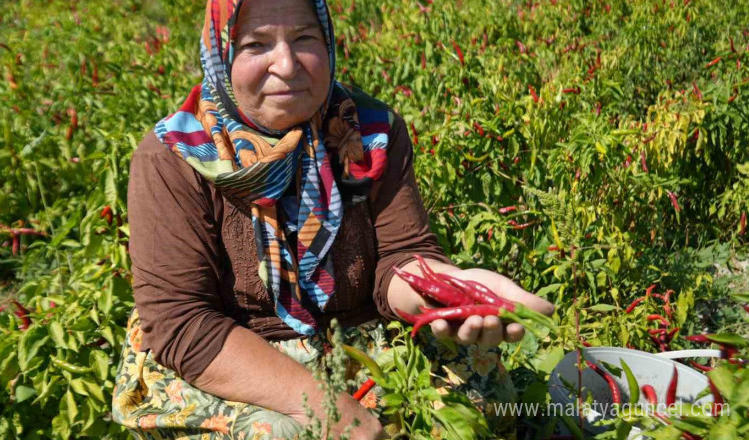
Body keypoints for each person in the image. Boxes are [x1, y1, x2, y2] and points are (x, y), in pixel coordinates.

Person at [111, 0, 555, 439]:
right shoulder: (174, 158)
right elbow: (182, 322)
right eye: (254, 45)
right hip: (238, 360)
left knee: (479, 403)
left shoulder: (370, 131)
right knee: (282, 431)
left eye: (305, 38)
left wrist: (450, 291)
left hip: (360, 341)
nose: (286, 64)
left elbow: (402, 256)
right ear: (219, 53)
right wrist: (326, 406)